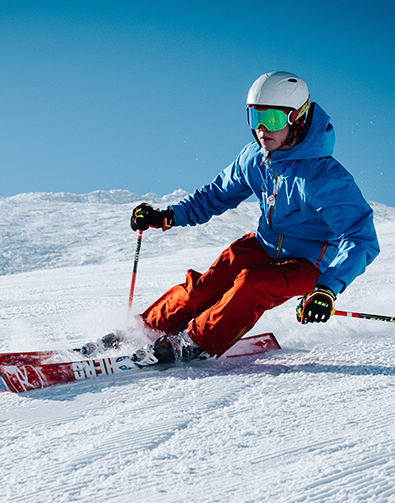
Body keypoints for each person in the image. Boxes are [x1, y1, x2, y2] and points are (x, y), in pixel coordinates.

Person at [130, 71, 380, 365]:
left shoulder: (324, 178)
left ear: (296, 118)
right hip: (263, 244)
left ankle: (195, 342)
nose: (262, 130)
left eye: (272, 119)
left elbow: (360, 238)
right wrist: (168, 215)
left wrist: (327, 288)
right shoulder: (255, 158)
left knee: (253, 283)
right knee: (205, 289)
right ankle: (143, 330)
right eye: (254, 118)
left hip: (309, 264)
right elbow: (215, 195)